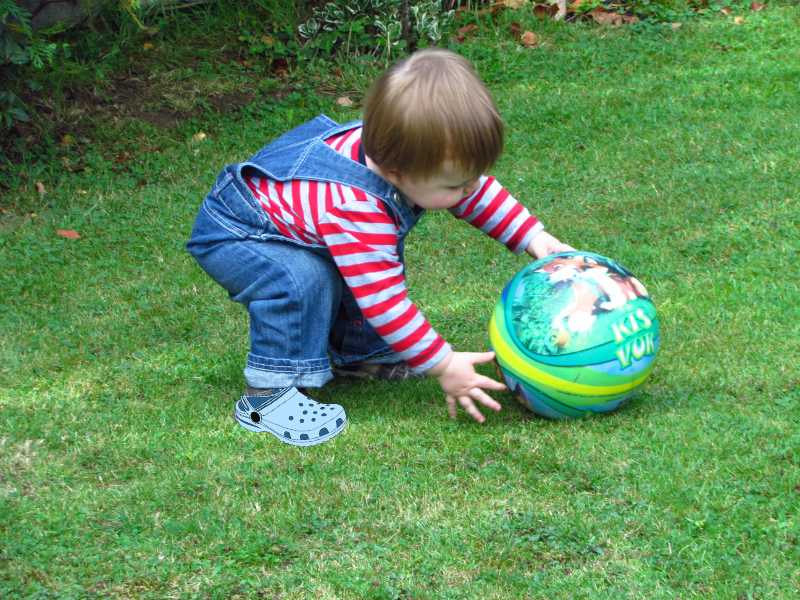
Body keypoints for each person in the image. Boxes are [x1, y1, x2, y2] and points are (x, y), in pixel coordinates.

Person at [187, 48, 572, 447]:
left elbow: (475, 195)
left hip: (294, 223)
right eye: (456, 185)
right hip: (240, 232)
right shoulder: (358, 210)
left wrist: (535, 239)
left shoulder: (409, 153)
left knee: (357, 266)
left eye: (471, 178)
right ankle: (270, 397)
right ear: (395, 174)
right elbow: (385, 302)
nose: (468, 190)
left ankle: (361, 357)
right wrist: (443, 364)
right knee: (300, 282)